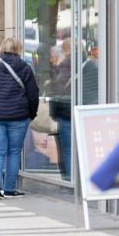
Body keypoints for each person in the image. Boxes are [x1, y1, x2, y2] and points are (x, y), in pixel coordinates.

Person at [0, 37, 39, 199]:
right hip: (19, 116)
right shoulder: (25, 68)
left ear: (3, 49)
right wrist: (31, 114)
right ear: (18, 49)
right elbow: (33, 95)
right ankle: (10, 189)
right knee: (13, 152)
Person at [48, 41, 72, 180]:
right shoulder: (61, 68)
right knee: (65, 149)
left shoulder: (63, 69)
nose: (50, 58)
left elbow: (59, 91)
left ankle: (68, 181)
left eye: (52, 55)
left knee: (66, 150)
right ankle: (68, 179)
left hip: (65, 112)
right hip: (63, 112)